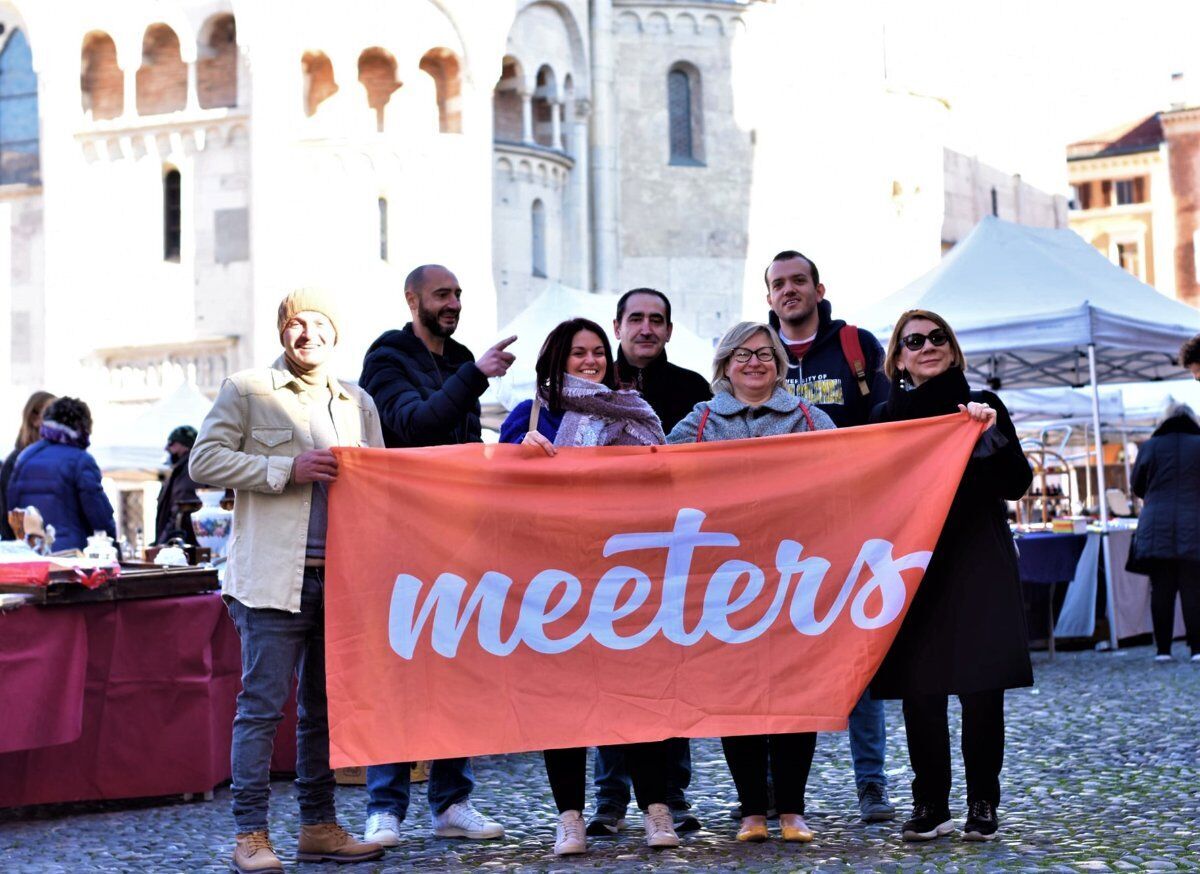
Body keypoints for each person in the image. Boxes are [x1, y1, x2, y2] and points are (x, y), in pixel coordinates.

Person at [190, 289, 386, 873]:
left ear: (335, 333)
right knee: (261, 709)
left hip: (343, 581)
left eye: (320, 324)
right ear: (282, 332)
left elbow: (382, 484)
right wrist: (285, 469)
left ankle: (319, 827)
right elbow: (203, 462)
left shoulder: (358, 401)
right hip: (273, 580)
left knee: (325, 711)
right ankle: (250, 835)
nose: (309, 334)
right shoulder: (248, 391)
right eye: (297, 324)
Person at [500, 317, 678, 856]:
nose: (590, 361)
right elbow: (494, 495)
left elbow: (664, 484)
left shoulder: (634, 411)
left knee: (637, 695)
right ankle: (570, 818)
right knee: (564, 702)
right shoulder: (527, 417)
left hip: (624, 577)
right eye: (577, 353)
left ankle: (656, 810)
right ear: (556, 359)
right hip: (553, 580)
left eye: (598, 351)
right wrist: (517, 461)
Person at [358, 264, 509, 846]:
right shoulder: (388, 357)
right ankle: (385, 807)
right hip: (399, 539)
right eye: (442, 294)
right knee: (396, 671)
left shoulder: (460, 356)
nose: (453, 303)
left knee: (454, 670)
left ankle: (451, 803)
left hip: (457, 539)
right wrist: (475, 375)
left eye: (458, 295)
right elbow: (412, 426)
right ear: (412, 298)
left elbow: (464, 446)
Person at [869, 308, 1033, 843]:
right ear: (898, 357)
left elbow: (1016, 484)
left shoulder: (983, 408)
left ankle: (983, 800)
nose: (927, 346)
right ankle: (930, 802)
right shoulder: (886, 418)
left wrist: (990, 439)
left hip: (978, 557)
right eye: (914, 340)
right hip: (914, 565)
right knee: (922, 690)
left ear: (953, 347)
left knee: (982, 688)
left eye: (938, 337)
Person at [668, 321, 834, 843]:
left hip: (793, 575)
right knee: (736, 692)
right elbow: (656, 475)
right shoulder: (697, 423)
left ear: (780, 363)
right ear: (724, 364)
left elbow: (849, 474)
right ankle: (749, 812)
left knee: (794, 691)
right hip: (725, 581)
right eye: (743, 354)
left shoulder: (809, 418)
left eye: (765, 353)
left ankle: (791, 809)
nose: (755, 362)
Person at [764, 249, 895, 822]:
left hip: (848, 525)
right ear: (768, 295)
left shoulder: (855, 346)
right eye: (778, 284)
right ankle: (775, 793)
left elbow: (892, 419)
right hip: (773, 534)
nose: (789, 290)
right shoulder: (753, 349)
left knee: (856, 655)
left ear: (819, 289)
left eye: (799, 281)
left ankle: (872, 783)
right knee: (775, 661)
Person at [591, 287, 710, 836]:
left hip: (672, 552)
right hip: (603, 553)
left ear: (669, 328)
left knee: (672, 678)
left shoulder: (692, 389)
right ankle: (611, 799)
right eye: (635, 318)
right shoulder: (589, 382)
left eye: (656, 320)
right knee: (607, 676)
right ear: (617, 325)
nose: (645, 328)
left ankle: (670, 795)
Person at [1130, 400, 1200, 663]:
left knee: (1161, 588)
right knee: (1194, 587)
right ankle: (1197, 649)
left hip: (1155, 523)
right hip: (1195, 522)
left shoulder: (1150, 446)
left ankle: (1163, 650)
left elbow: (1136, 486)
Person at [6, 396, 116, 552]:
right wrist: (114, 545)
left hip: (32, 554)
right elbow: (100, 517)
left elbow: (13, 509)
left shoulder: (25, 456)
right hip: (71, 557)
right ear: (82, 427)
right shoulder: (81, 460)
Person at [0, 390, 55, 540]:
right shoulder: (14, 462)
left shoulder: (59, 459)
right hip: (27, 550)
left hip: (59, 547)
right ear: (34, 418)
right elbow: (6, 516)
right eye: (50, 414)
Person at [153, 424, 203, 546]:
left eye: (171, 443)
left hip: (184, 547)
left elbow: (179, 514)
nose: (167, 448)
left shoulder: (189, 470)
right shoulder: (182, 470)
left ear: (183, 445)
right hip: (183, 545)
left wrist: (163, 543)